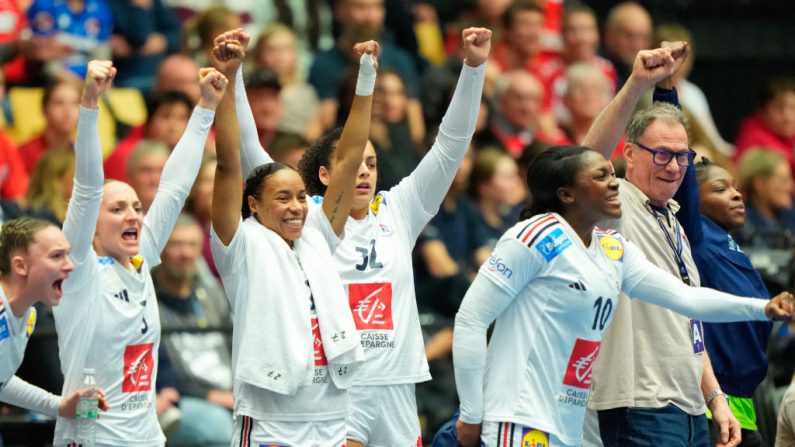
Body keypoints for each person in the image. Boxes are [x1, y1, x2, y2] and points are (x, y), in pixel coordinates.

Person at [241, 25, 490, 446]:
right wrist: (232, 85)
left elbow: (451, 146)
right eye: (353, 163)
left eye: (371, 164)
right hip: (338, 387)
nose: (363, 172)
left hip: (396, 384)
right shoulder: (310, 220)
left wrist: (473, 69)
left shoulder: (400, 209)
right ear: (324, 175)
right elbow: (253, 160)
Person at [452, 144, 795, 446]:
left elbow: (685, 297)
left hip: (570, 423)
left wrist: (763, 307)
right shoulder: (535, 235)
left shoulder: (612, 249)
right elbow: (470, 319)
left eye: (611, 173)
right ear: (566, 194)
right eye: (600, 176)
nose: (614, 182)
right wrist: (471, 412)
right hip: (520, 417)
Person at [208, 33, 372, 446]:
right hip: (270, 421)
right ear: (254, 205)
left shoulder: (319, 233)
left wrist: (366, 78)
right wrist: (228, 82)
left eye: (301, 196)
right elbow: (229, 164)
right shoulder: (240, 244)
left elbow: (349, 158)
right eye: (282, 197)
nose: (298, 206)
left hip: (332, 417)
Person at [52, 59, 225, 446]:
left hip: (147, 437)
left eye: (135, 206)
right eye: (117, 209)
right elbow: (86, 188)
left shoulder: (140, 258)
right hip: (94, 438)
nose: (132, 214)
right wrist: (90, 104)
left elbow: (175, 187)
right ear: (90, 225)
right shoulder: (78, 270)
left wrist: (206, 107)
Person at [581, 42, 746, 447]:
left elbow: (688, 320)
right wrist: (638, 83)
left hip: (689, 409)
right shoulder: (614, 204)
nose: (673, 166)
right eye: (661, 155)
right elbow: (582, 158)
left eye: (682, 156)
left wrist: (715, 398)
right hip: (639, 407)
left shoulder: (671, 217)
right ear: (630, 154)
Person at [674, 154, 774, 446]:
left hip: (742, 402)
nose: (736, 194)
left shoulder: (727, 241)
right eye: (720, 189)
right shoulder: (695, 235)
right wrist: (684, 153)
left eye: (734, 187)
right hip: (710, 402)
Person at [0, 217, 107, 419]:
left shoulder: (27, 315)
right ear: (20, 266)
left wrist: (58, 406)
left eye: (67, 255)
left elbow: (1, 379)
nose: (70, 266)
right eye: (56, 256)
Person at [153, 213, 234, 446]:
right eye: (177, 245)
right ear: (160, 250)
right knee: (219, 430)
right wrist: (208, 395)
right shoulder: (148, 301)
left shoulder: (212, 295)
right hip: (183, 397)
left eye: (192, 245)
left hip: (228, 392)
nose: (186, 254)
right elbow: (161, 366)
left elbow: (234, 346)